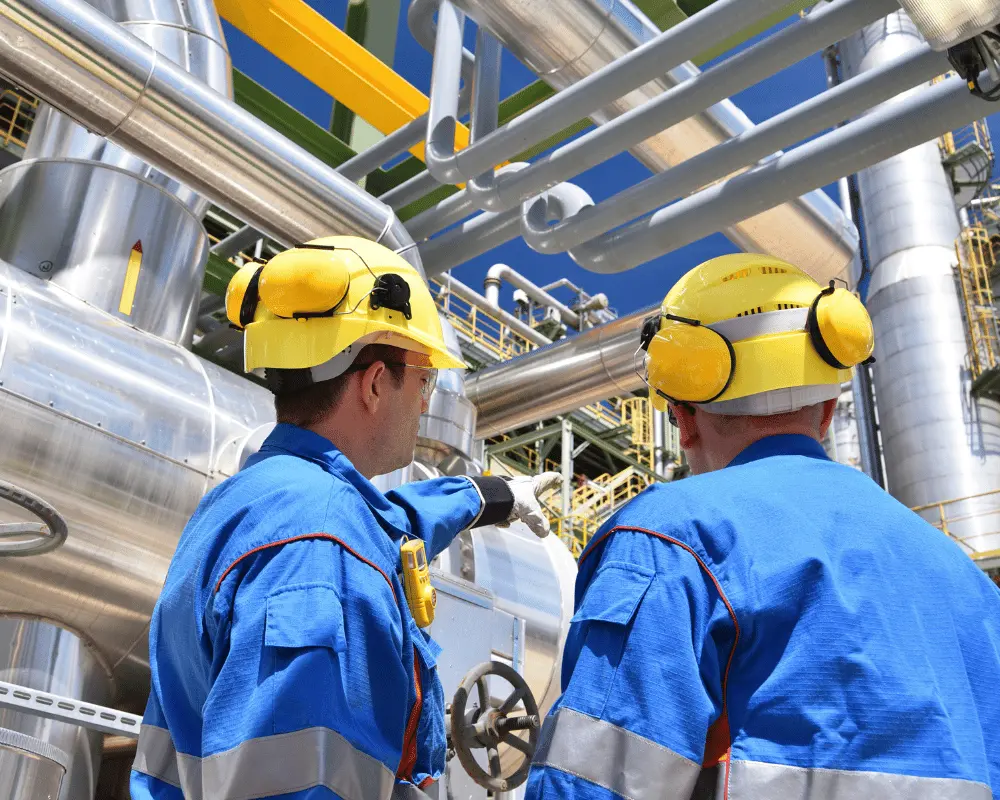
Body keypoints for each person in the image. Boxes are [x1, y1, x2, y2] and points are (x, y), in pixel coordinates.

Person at [526, 254, 1000, 800]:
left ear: (681, 420)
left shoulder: (671, 538)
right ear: (827, 407)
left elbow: (591, 784)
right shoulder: (976, 592)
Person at [130, 236, 560, 800]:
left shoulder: (256, 503)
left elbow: (389, 525)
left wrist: (490, 496)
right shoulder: (325, 542)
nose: (427, 401)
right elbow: (301, 783)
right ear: (377, 382)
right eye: (424, 378)